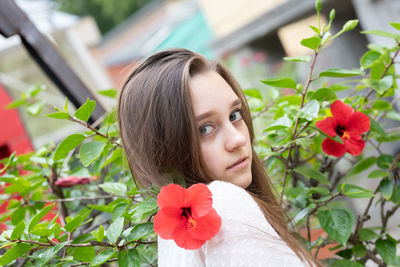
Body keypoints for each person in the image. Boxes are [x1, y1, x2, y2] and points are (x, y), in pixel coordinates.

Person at [118, 48, 320, 266]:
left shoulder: (170, 240)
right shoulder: (222, 201)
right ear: (165, 149)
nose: (238, 140)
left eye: (235, 115)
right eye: (204, 129)